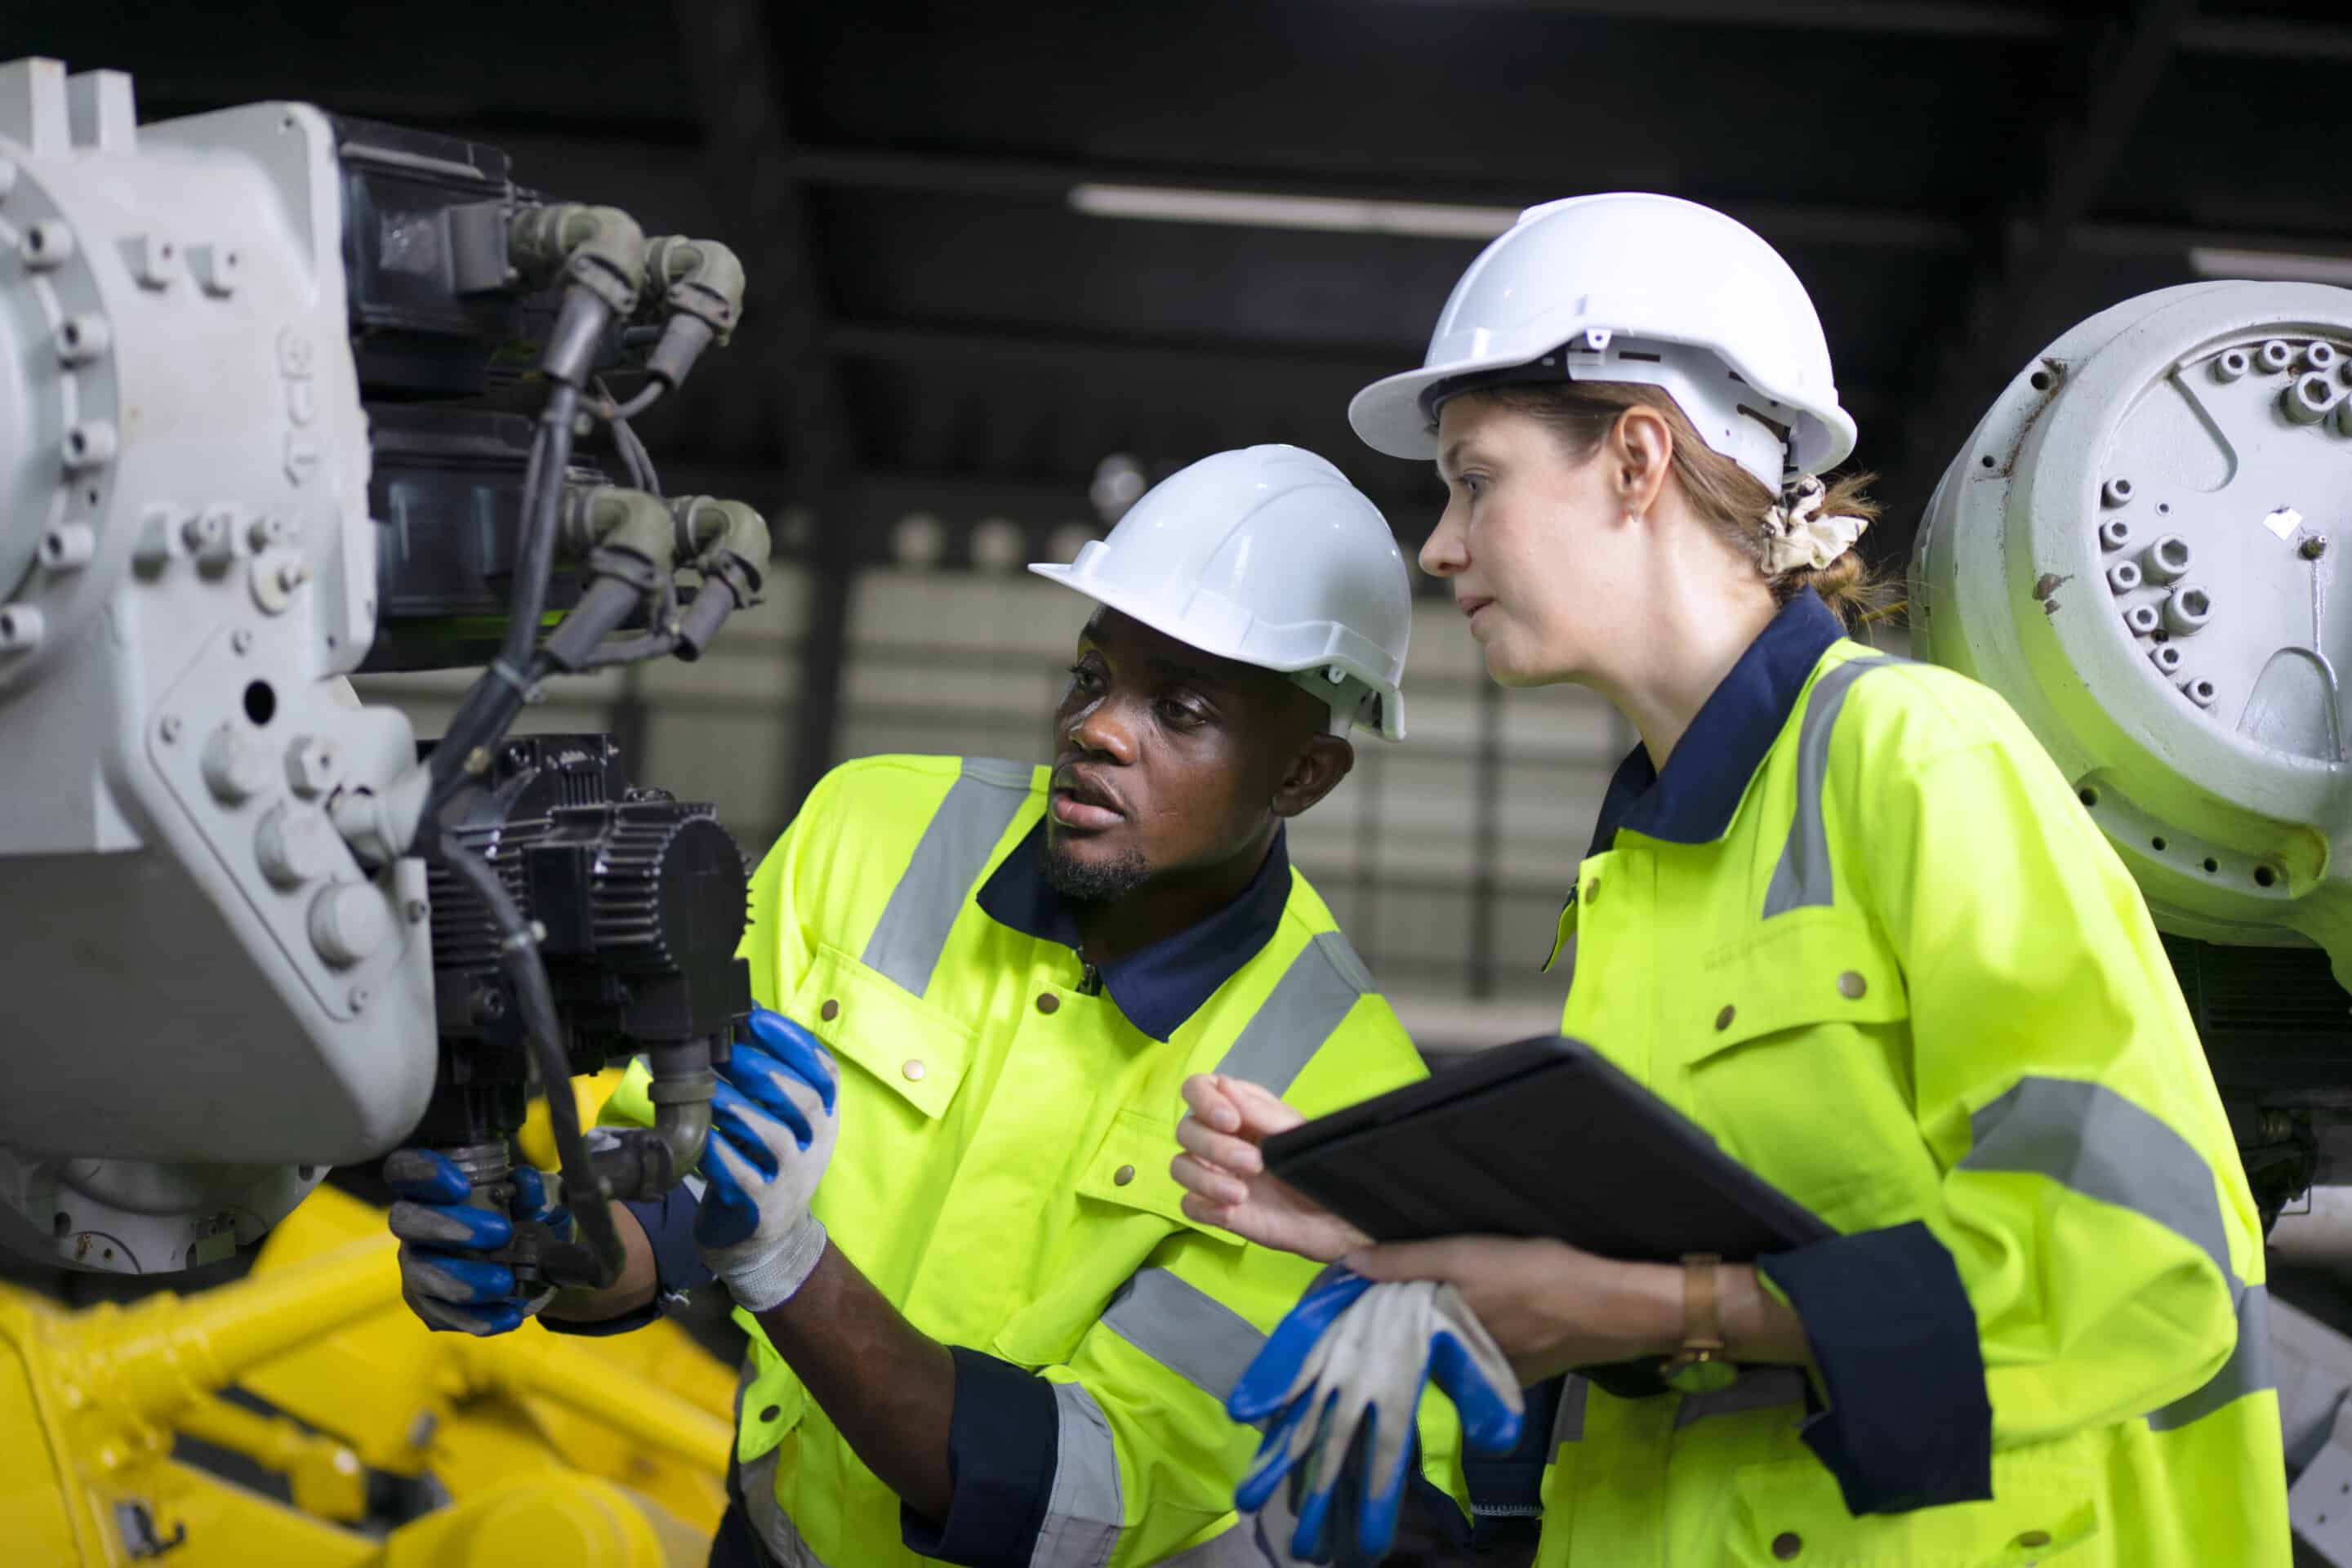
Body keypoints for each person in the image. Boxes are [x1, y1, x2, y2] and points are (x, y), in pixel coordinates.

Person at [1170, 195, 2290, 1565]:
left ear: (1636, 455)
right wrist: (1402, 1229)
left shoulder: (1914, 760)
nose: (1439, 545)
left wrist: (1649, 1308)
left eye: (1475, 477)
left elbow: (2137, 1269)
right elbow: (1721, 1258)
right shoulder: (1644, 867)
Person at [385, 444, 1488, 1566]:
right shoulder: (873, 830)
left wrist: (788, 1266)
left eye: (1182, 708)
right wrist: (537, 1252)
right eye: (1091, 674)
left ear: (1303, 777)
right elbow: (674, 1197)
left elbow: (1079, 1493)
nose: (1097, 727)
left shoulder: (1341, 1093)